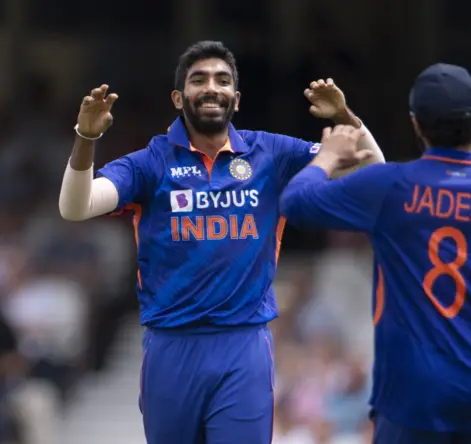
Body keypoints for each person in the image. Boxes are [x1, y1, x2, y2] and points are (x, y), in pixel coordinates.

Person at [58, 40, 384, 444]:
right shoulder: (151, 162)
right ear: (179, 97)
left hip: (243, 347)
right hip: (170, 347)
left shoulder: (271, 152)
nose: (211, 87)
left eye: (222, 80)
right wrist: (85, 138)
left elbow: (374, 169)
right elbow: (77, 206)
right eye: (199, 80)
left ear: (237, 97)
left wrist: (343, 116)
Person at [279, 63, 471, 444]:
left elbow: (296, 202)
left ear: (416, 124)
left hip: (410, 394)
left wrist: (328, 155)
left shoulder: (390, 188)